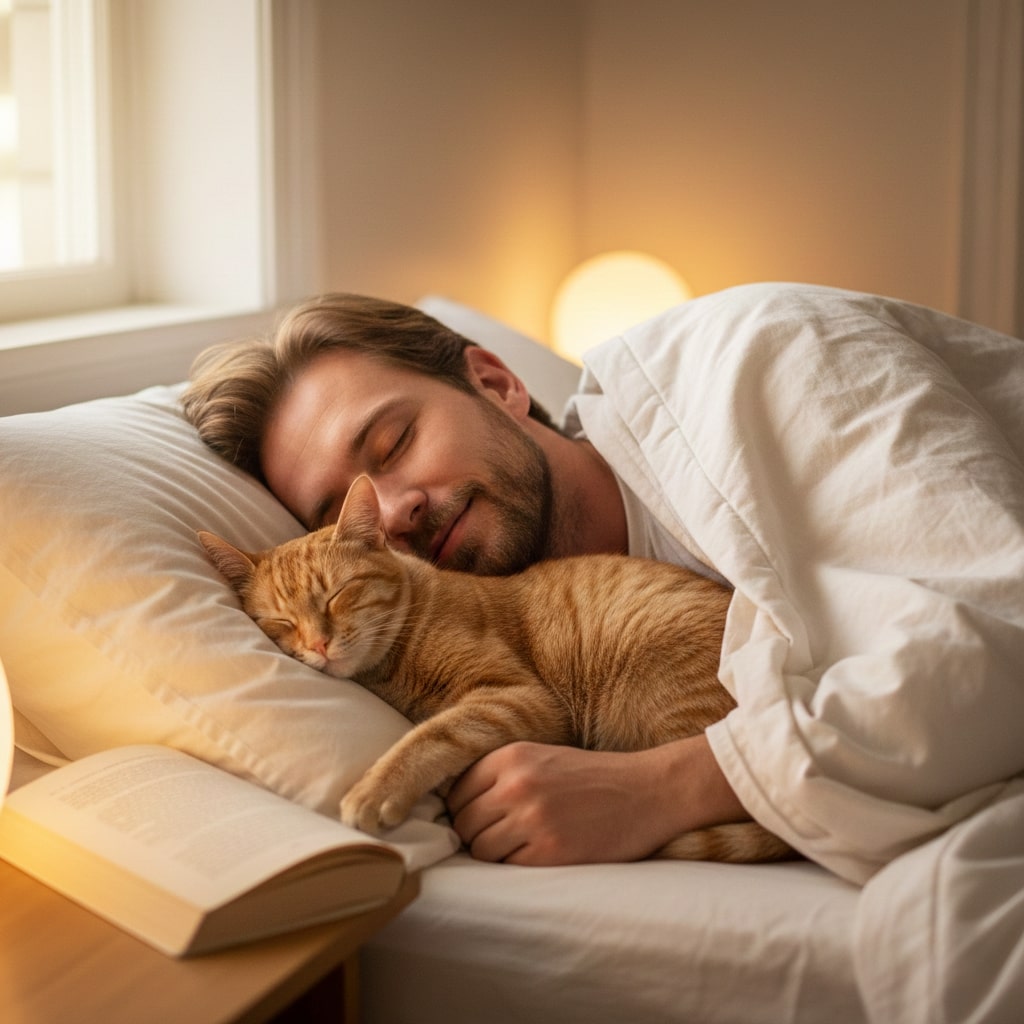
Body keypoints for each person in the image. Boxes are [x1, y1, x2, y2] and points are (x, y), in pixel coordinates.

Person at [184, 283, 1024, 1018]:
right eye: (340, 511)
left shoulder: (758, 355)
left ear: (497, 381)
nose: (394, 512)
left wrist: (665, 788)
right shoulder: (516, 620)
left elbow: (997, 636)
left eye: (395, 445)